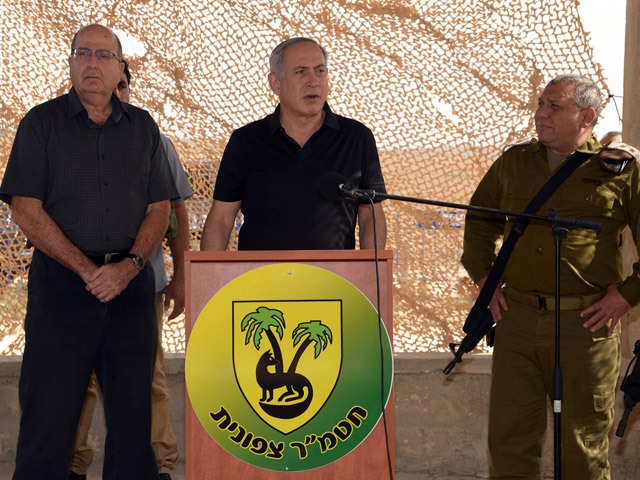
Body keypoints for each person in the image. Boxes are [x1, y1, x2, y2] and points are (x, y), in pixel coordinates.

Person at [1, 24, 178, 479]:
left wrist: (130, 266)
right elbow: (25, 208)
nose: (92, 63)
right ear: (70, 64)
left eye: (103, 55)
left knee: (133, 416)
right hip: (62, 287)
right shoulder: (41, 124)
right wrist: (86, 269)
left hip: (131, 288)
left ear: (121, 69)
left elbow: (160, 208)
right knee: (49, 414)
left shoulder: (143, 127)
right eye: (82, 53)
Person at [461, 74, 640, 479]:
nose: (541, 113)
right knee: (509, 443)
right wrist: (486, 282)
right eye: (541, 103)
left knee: (583, 447)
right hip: (517, 320)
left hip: (586, 326)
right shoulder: (514, 161)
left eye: (554, 106)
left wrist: (627, 296)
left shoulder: (621, 169)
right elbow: (480, 221)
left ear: (587, 116)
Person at [68, 60, 192, 480]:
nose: (116, 93)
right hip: (74, 286)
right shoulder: (62, 137)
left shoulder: (155, 141)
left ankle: (156, 464)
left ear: (128, 89)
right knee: (77, 382)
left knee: (148, 379)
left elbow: (177, 212)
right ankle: (73, 465)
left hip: (142, 288)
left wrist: (180, 276)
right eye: (110, 85)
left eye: (123, 86)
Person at [200, 37, 386, 251]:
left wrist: (372, 276)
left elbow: (370, 215)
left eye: (320, 71)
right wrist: (209, 279)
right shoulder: (245, 141)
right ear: (275, 83)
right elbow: (221, 219)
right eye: (301, 72)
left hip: (333, 281)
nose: (313, 81)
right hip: (261, 279)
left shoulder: (356, 137)